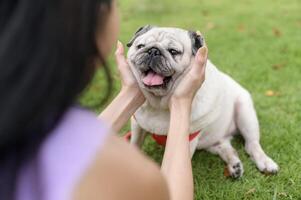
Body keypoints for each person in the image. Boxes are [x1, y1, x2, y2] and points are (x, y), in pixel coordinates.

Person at [0, 0, 208, 199]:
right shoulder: (113, 169)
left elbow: (72, 147)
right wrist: (181, 104)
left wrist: (131, 93)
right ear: (95, 19)